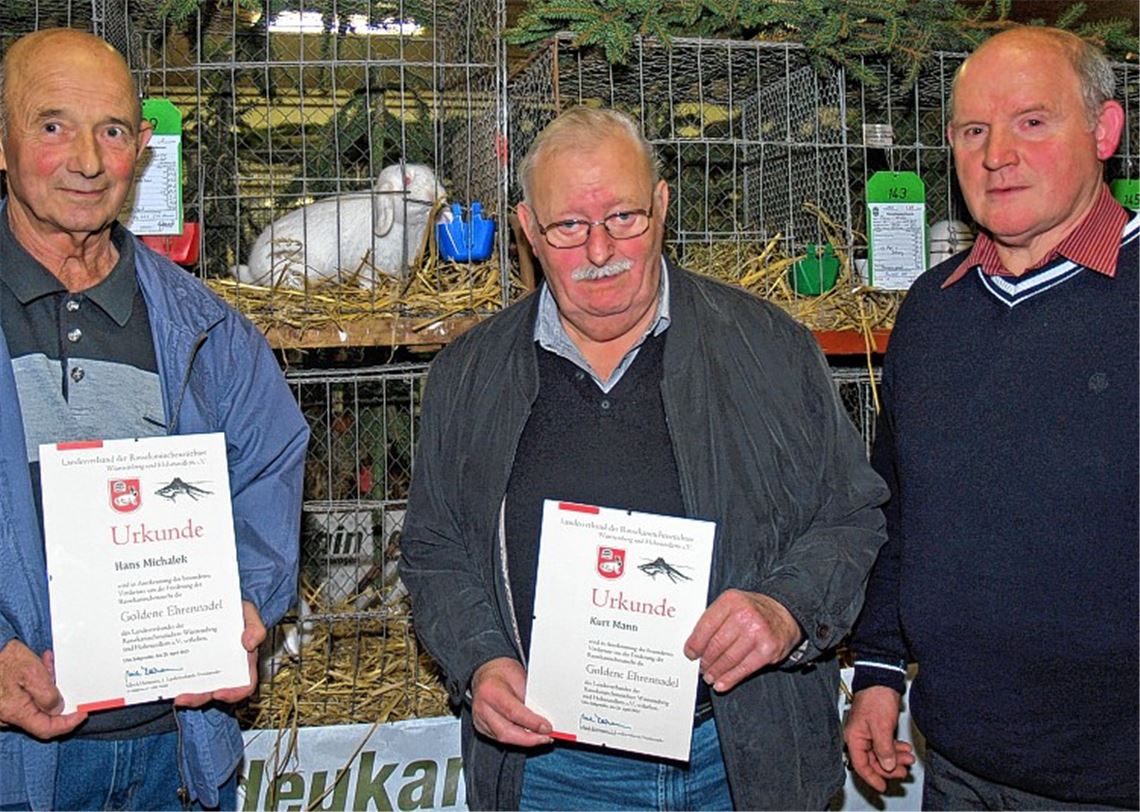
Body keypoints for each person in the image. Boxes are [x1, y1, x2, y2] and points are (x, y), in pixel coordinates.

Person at [400, 105, 889, 810]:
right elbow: (435, 548)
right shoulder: (467, 375)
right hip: (551, 773)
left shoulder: (768, 347)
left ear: (661, 206)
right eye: (569, 226)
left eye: (623, 217)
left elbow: (851, 516)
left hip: (739, 757)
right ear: (528, 229)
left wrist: (787, 609)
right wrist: (480, 658)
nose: (600, 250)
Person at [0, 28, 308, 810]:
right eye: (52, 126)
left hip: (175, 756)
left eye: (110, 131)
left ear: (140, 149)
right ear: (2, 142)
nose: (87, 160)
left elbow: (269, 467)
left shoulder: (206, 329)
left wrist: (244, 604)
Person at [845, 26, 1138, 810]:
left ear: (1104, 130)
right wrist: (878, 669)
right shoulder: (931, 312)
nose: (997, 155)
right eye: (973, 131)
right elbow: (898, 510)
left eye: (1032, 122)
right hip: (958, 765)